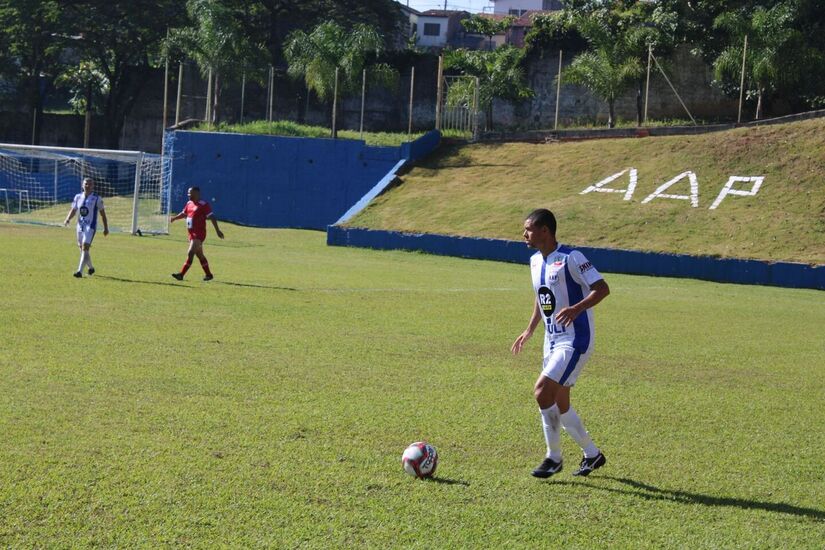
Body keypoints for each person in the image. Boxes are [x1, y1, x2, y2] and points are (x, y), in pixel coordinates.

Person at [511, 208, 610, 478]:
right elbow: (542, 295)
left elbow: (601, 288)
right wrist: (530, 328)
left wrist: (576, 308)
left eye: (528, 229)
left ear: (545, 231)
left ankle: (553, 457)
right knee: (560, 402)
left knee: (542, 391)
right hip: (551, 339)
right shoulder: (534, 262)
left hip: (575, 339)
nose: (524, 234)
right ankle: (593, 454)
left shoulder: (572, 258)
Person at [170, 186, 224, 281]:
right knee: (200, 255)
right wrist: (174, 218)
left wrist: (217, 230)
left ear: (197, 193)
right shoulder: (189, 203)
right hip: (191, 233)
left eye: (190, 193)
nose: (188, 195)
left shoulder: (204, 205)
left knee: (190, 252)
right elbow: (184, 213)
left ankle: (181, 274)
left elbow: (212, 217)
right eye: (188, 193)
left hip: (199, 234)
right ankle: (208, 275)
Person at [63, 177, 108, 278]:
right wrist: (67, 219)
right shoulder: (78, 197)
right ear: (82, 185)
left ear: (93, 186)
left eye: (90, 184)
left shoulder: (97, 198)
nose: (87, 186)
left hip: (90, 227)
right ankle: (91, 268)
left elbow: (103, 214)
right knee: (83, 249)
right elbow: (73, 210)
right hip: (80, 226)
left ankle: (79, 271)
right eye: (86, 184)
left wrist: (106, 228)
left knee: (85, 247)